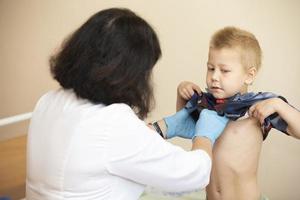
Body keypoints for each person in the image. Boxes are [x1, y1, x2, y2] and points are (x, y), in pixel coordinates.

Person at [26, 8, 229, 200]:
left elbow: (118, 150)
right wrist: (204, 135)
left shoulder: (48, 101)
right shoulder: (112, 123)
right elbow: (193, 174)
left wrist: (162, 128)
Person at [176, 26, 299, 200]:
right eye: (211, 68)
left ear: (249, 75)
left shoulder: (259, 106)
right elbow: (184, 125)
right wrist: (182, 93)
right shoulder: (206, 103)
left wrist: (280, 105)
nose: (214, 77)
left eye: (224, 70)